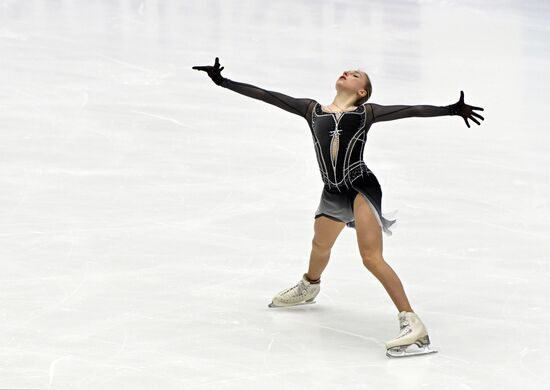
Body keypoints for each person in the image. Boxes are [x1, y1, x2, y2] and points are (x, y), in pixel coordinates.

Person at [192, 57, 484, 358]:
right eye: (346, 71)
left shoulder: (365, 113)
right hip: (332, 191)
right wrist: (223, 81)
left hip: (360, 186)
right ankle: (310, 285)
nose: (347, 73)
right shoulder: (312, 110)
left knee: (371, 257)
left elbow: (410, 110)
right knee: (320, 244)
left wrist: (450, 109)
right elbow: (268, 96)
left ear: (362, 92)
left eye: (356, 75)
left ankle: (412, 324)